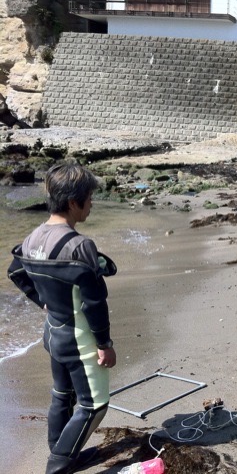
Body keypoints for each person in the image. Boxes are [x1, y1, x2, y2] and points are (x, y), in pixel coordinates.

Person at [8, 163, 117, 473]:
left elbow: (15, 271)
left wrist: (41, 300)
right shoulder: (80, 246)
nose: (92, 203)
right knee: (94, 404)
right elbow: (95, 302)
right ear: (73, 203)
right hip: (80, 337)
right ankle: (58, 464)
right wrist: (105, 343)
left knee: (62, 393)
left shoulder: (31, 238)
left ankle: (62, 450)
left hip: (53, 333)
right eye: (90, 198)